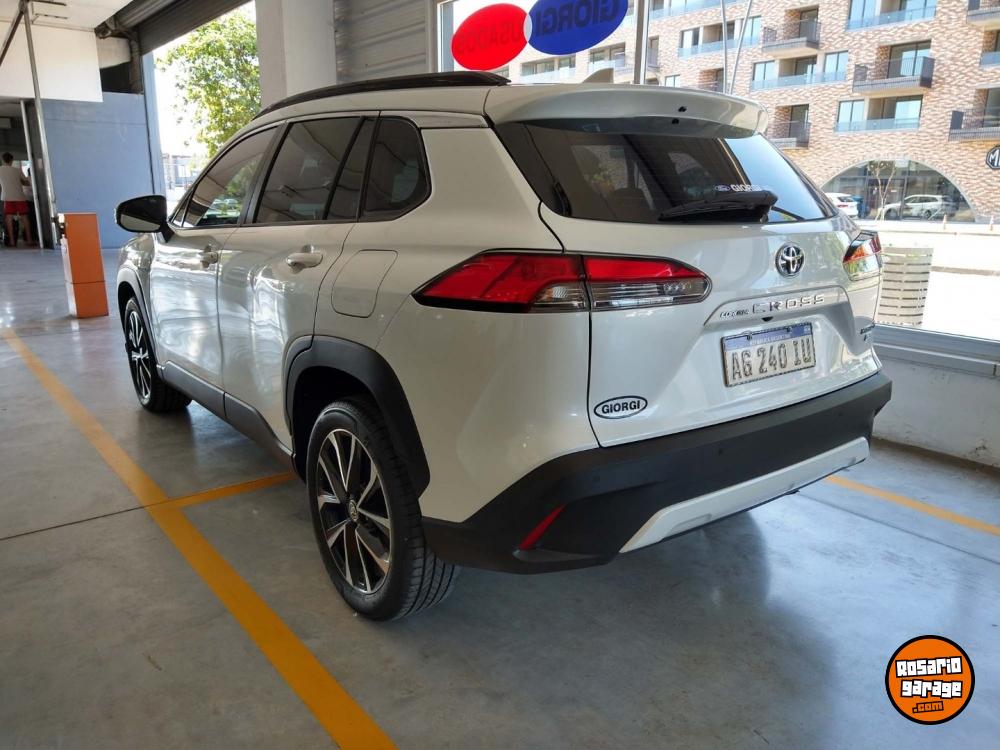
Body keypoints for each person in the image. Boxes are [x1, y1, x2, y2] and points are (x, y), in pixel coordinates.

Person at [0, 152, 33, 247]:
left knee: (9, 218)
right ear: (11, 160)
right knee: (24, 217)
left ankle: (12, 241)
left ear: (3, 160)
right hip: (19, 196)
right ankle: (29, 240)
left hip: (7, 196)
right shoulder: (17, 170)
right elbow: (26, 182)